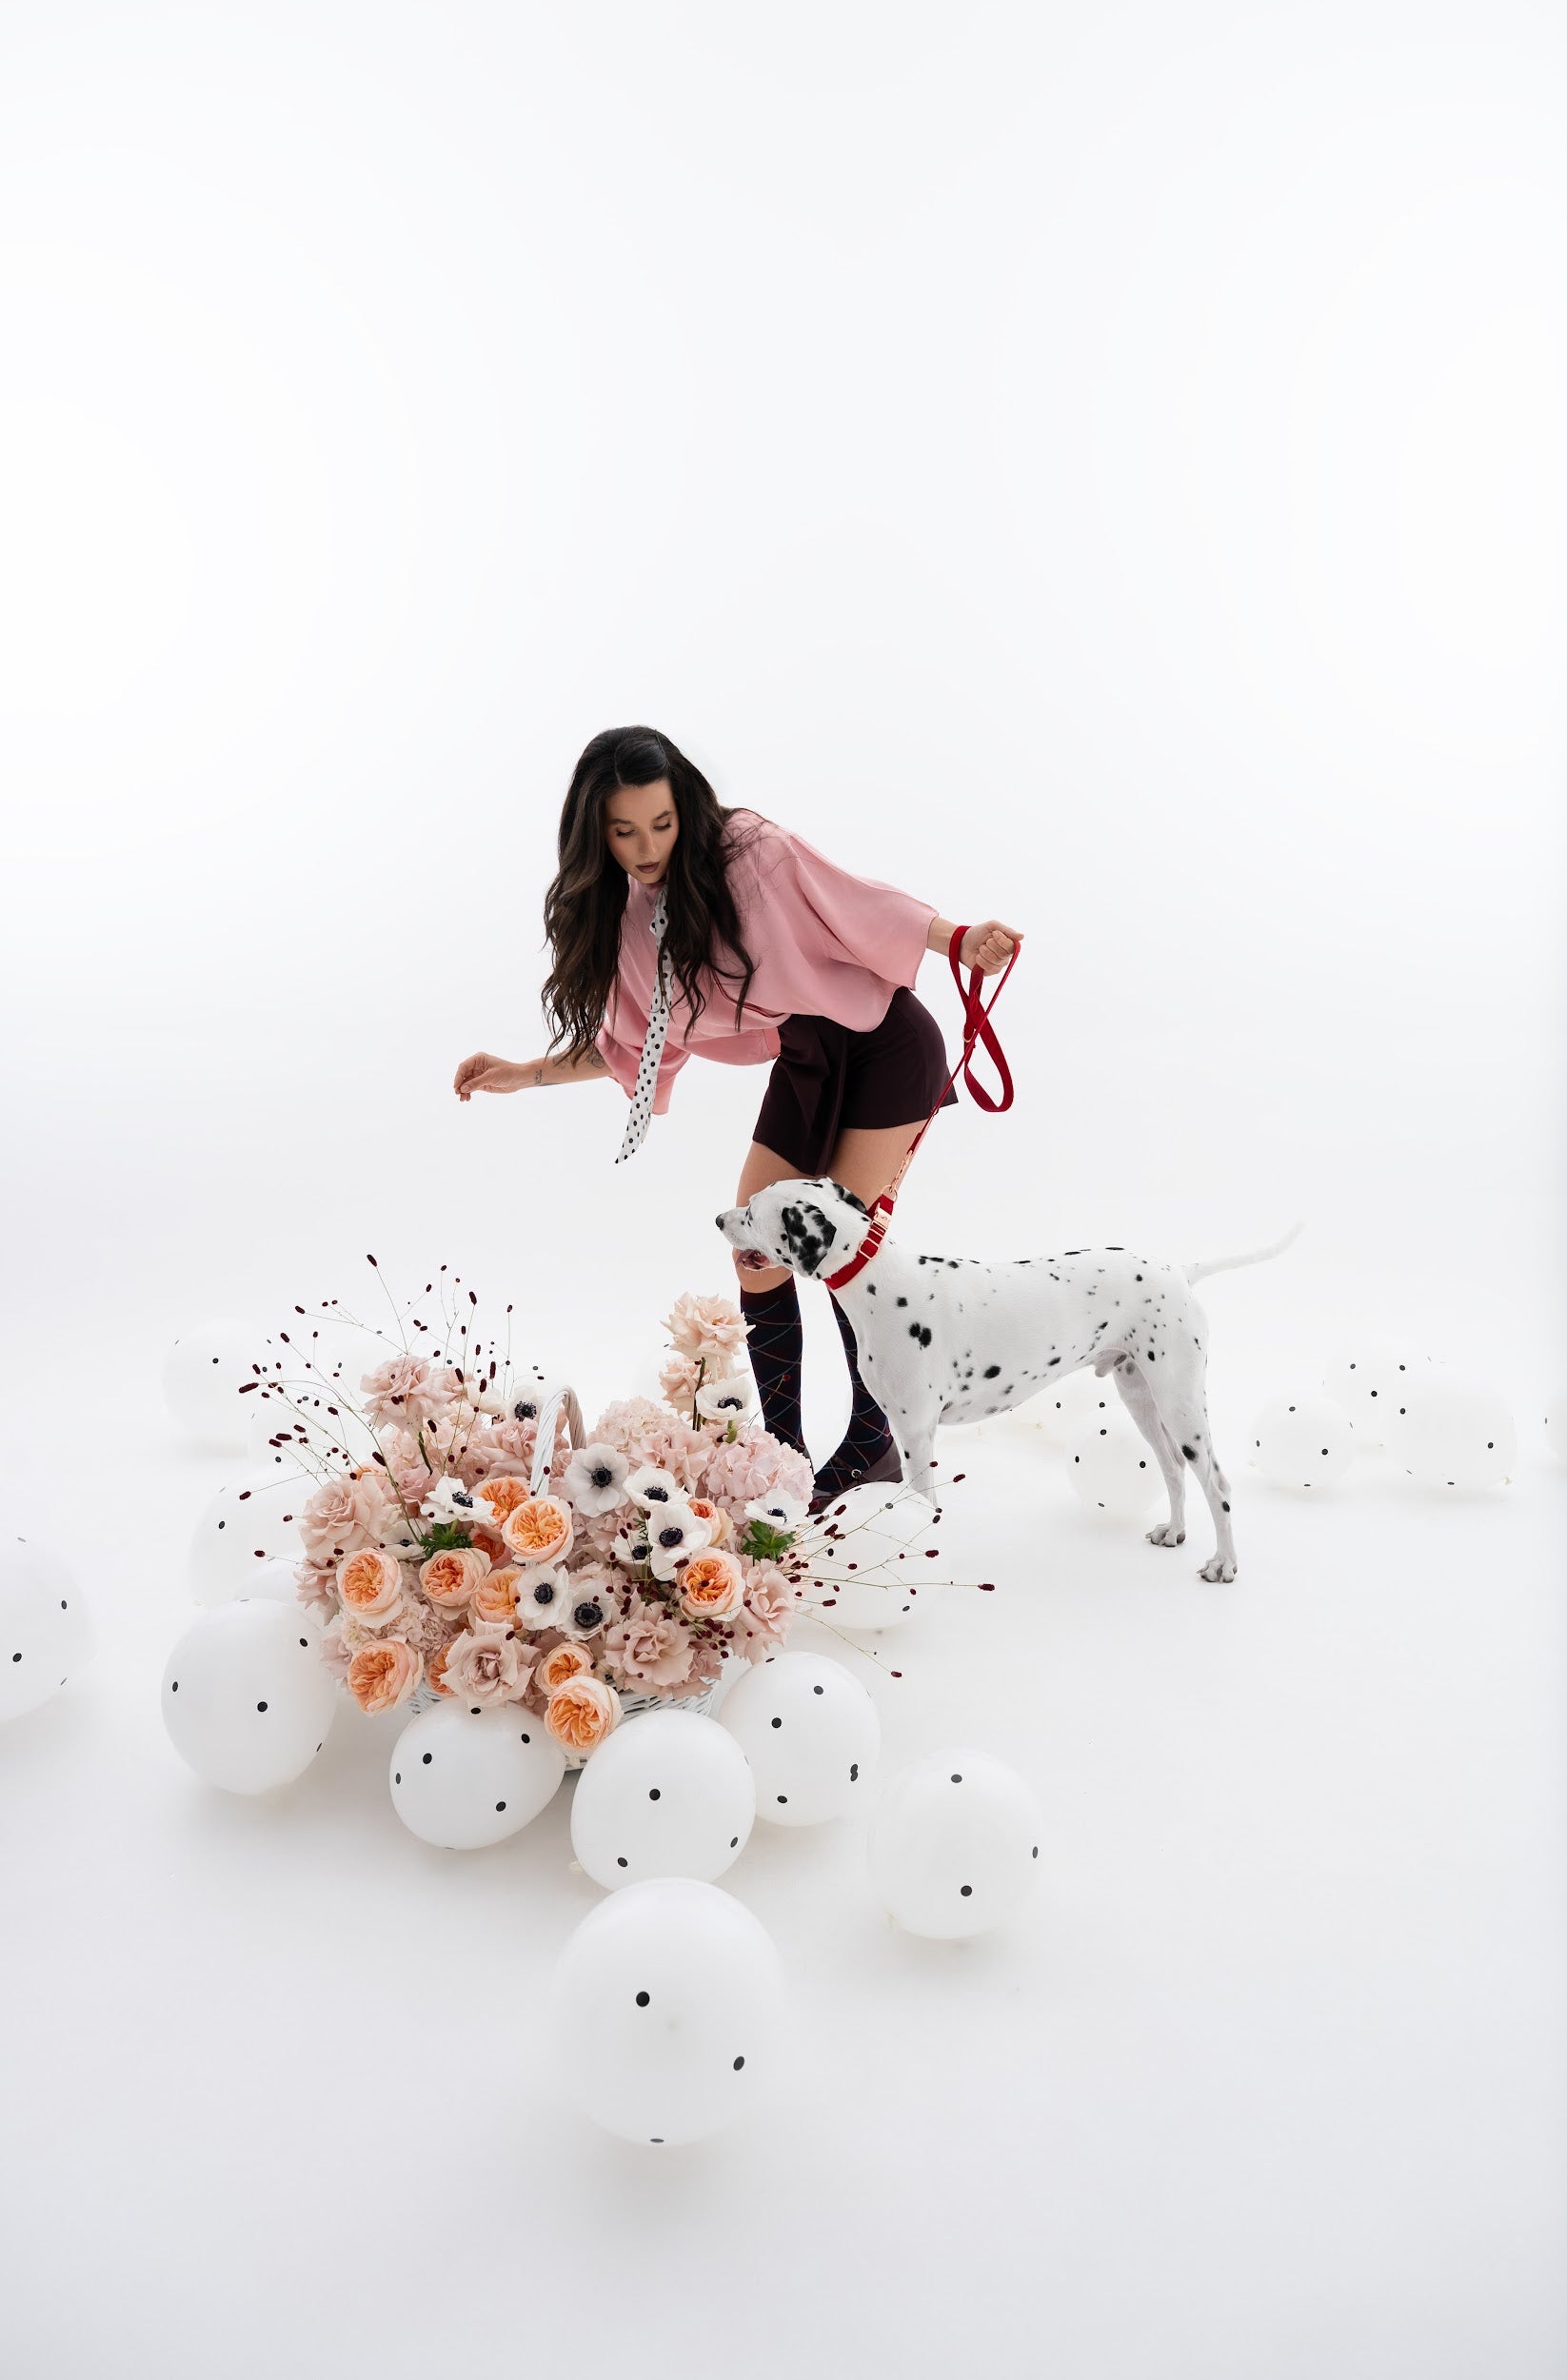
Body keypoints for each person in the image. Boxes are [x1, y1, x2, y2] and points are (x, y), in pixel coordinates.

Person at [452, 725, 1021, 1512]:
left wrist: (957, 938)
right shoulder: (629, 925)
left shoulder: (751, 851)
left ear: (683, 806)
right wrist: (525, 1074)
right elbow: (633, 1043)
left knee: (842, 1253)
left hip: (887, 1048)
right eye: (623, 832)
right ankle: (782, 1458)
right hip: (809, 1059)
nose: (647, 847)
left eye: (661, 823)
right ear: (595, 834)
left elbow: (859, 903)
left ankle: (871, 1443)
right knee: (757, 1253)